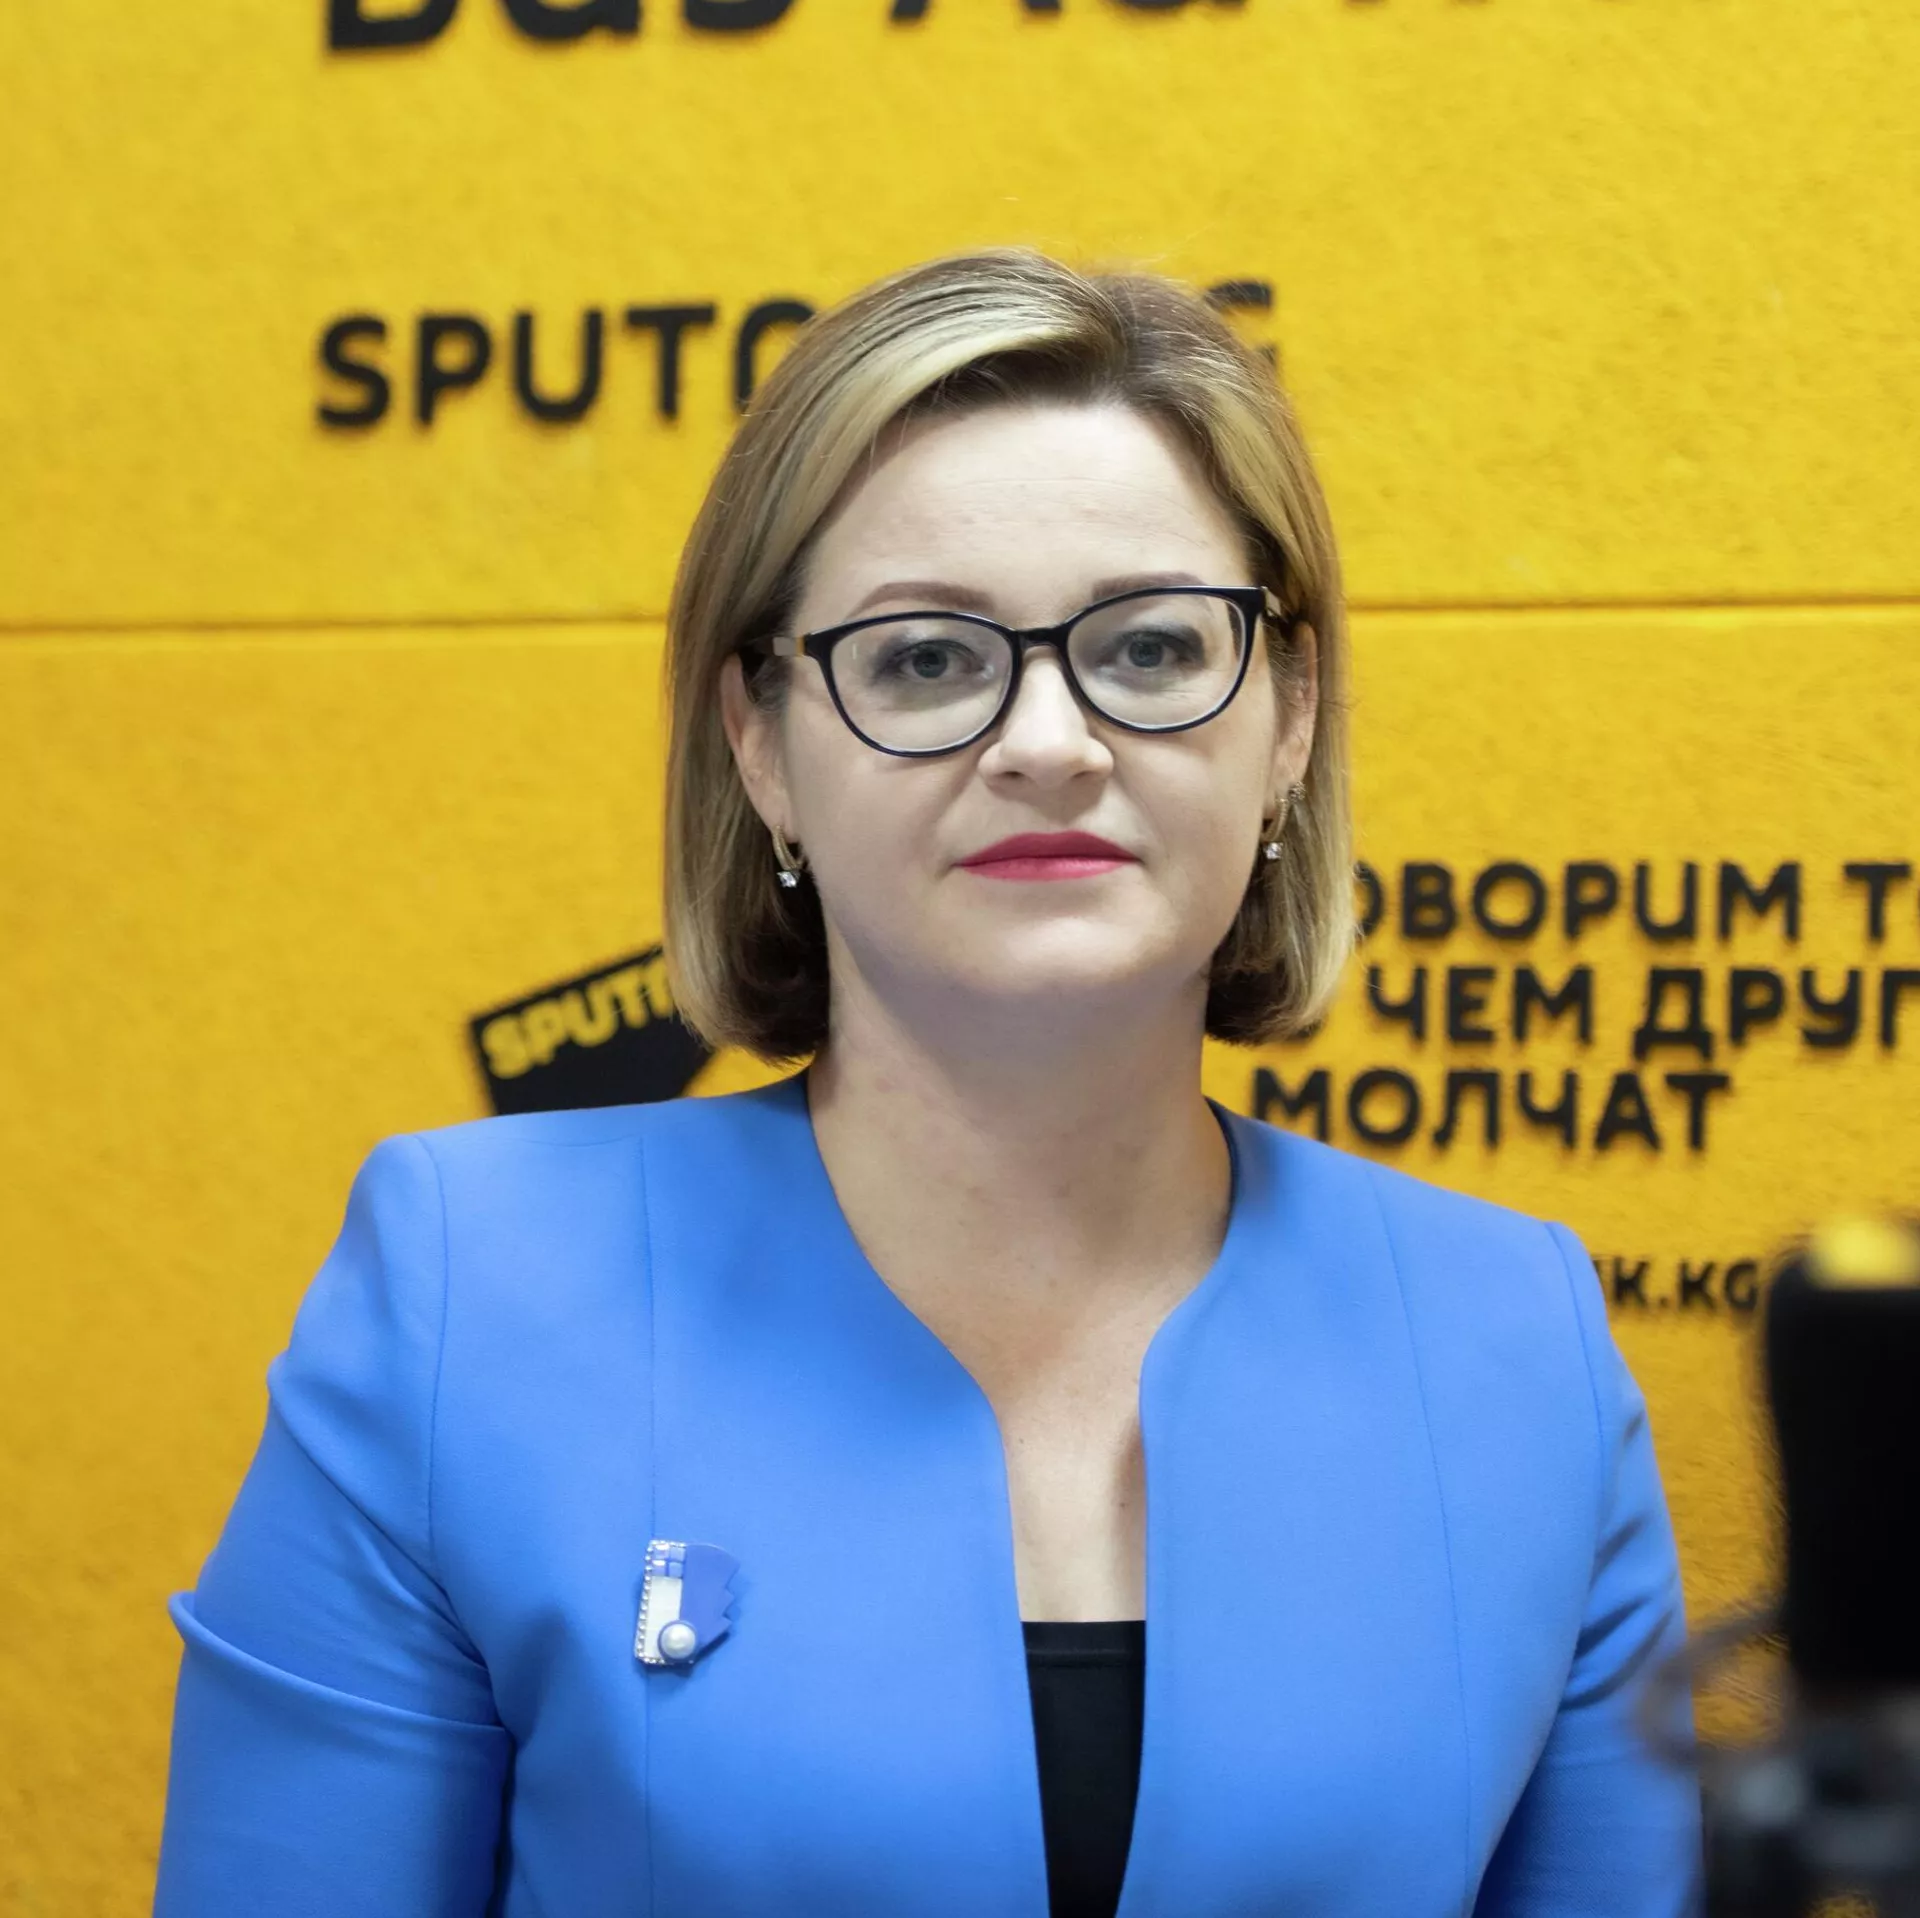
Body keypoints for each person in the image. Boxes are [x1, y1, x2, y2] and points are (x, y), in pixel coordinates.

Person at [153, 246, 1703, 1917]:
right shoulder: (469, 1287)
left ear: (1291, 717)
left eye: (1152, 647)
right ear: (762, 741)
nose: (1049, 741)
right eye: (924, 660)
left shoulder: (1512, 1340)